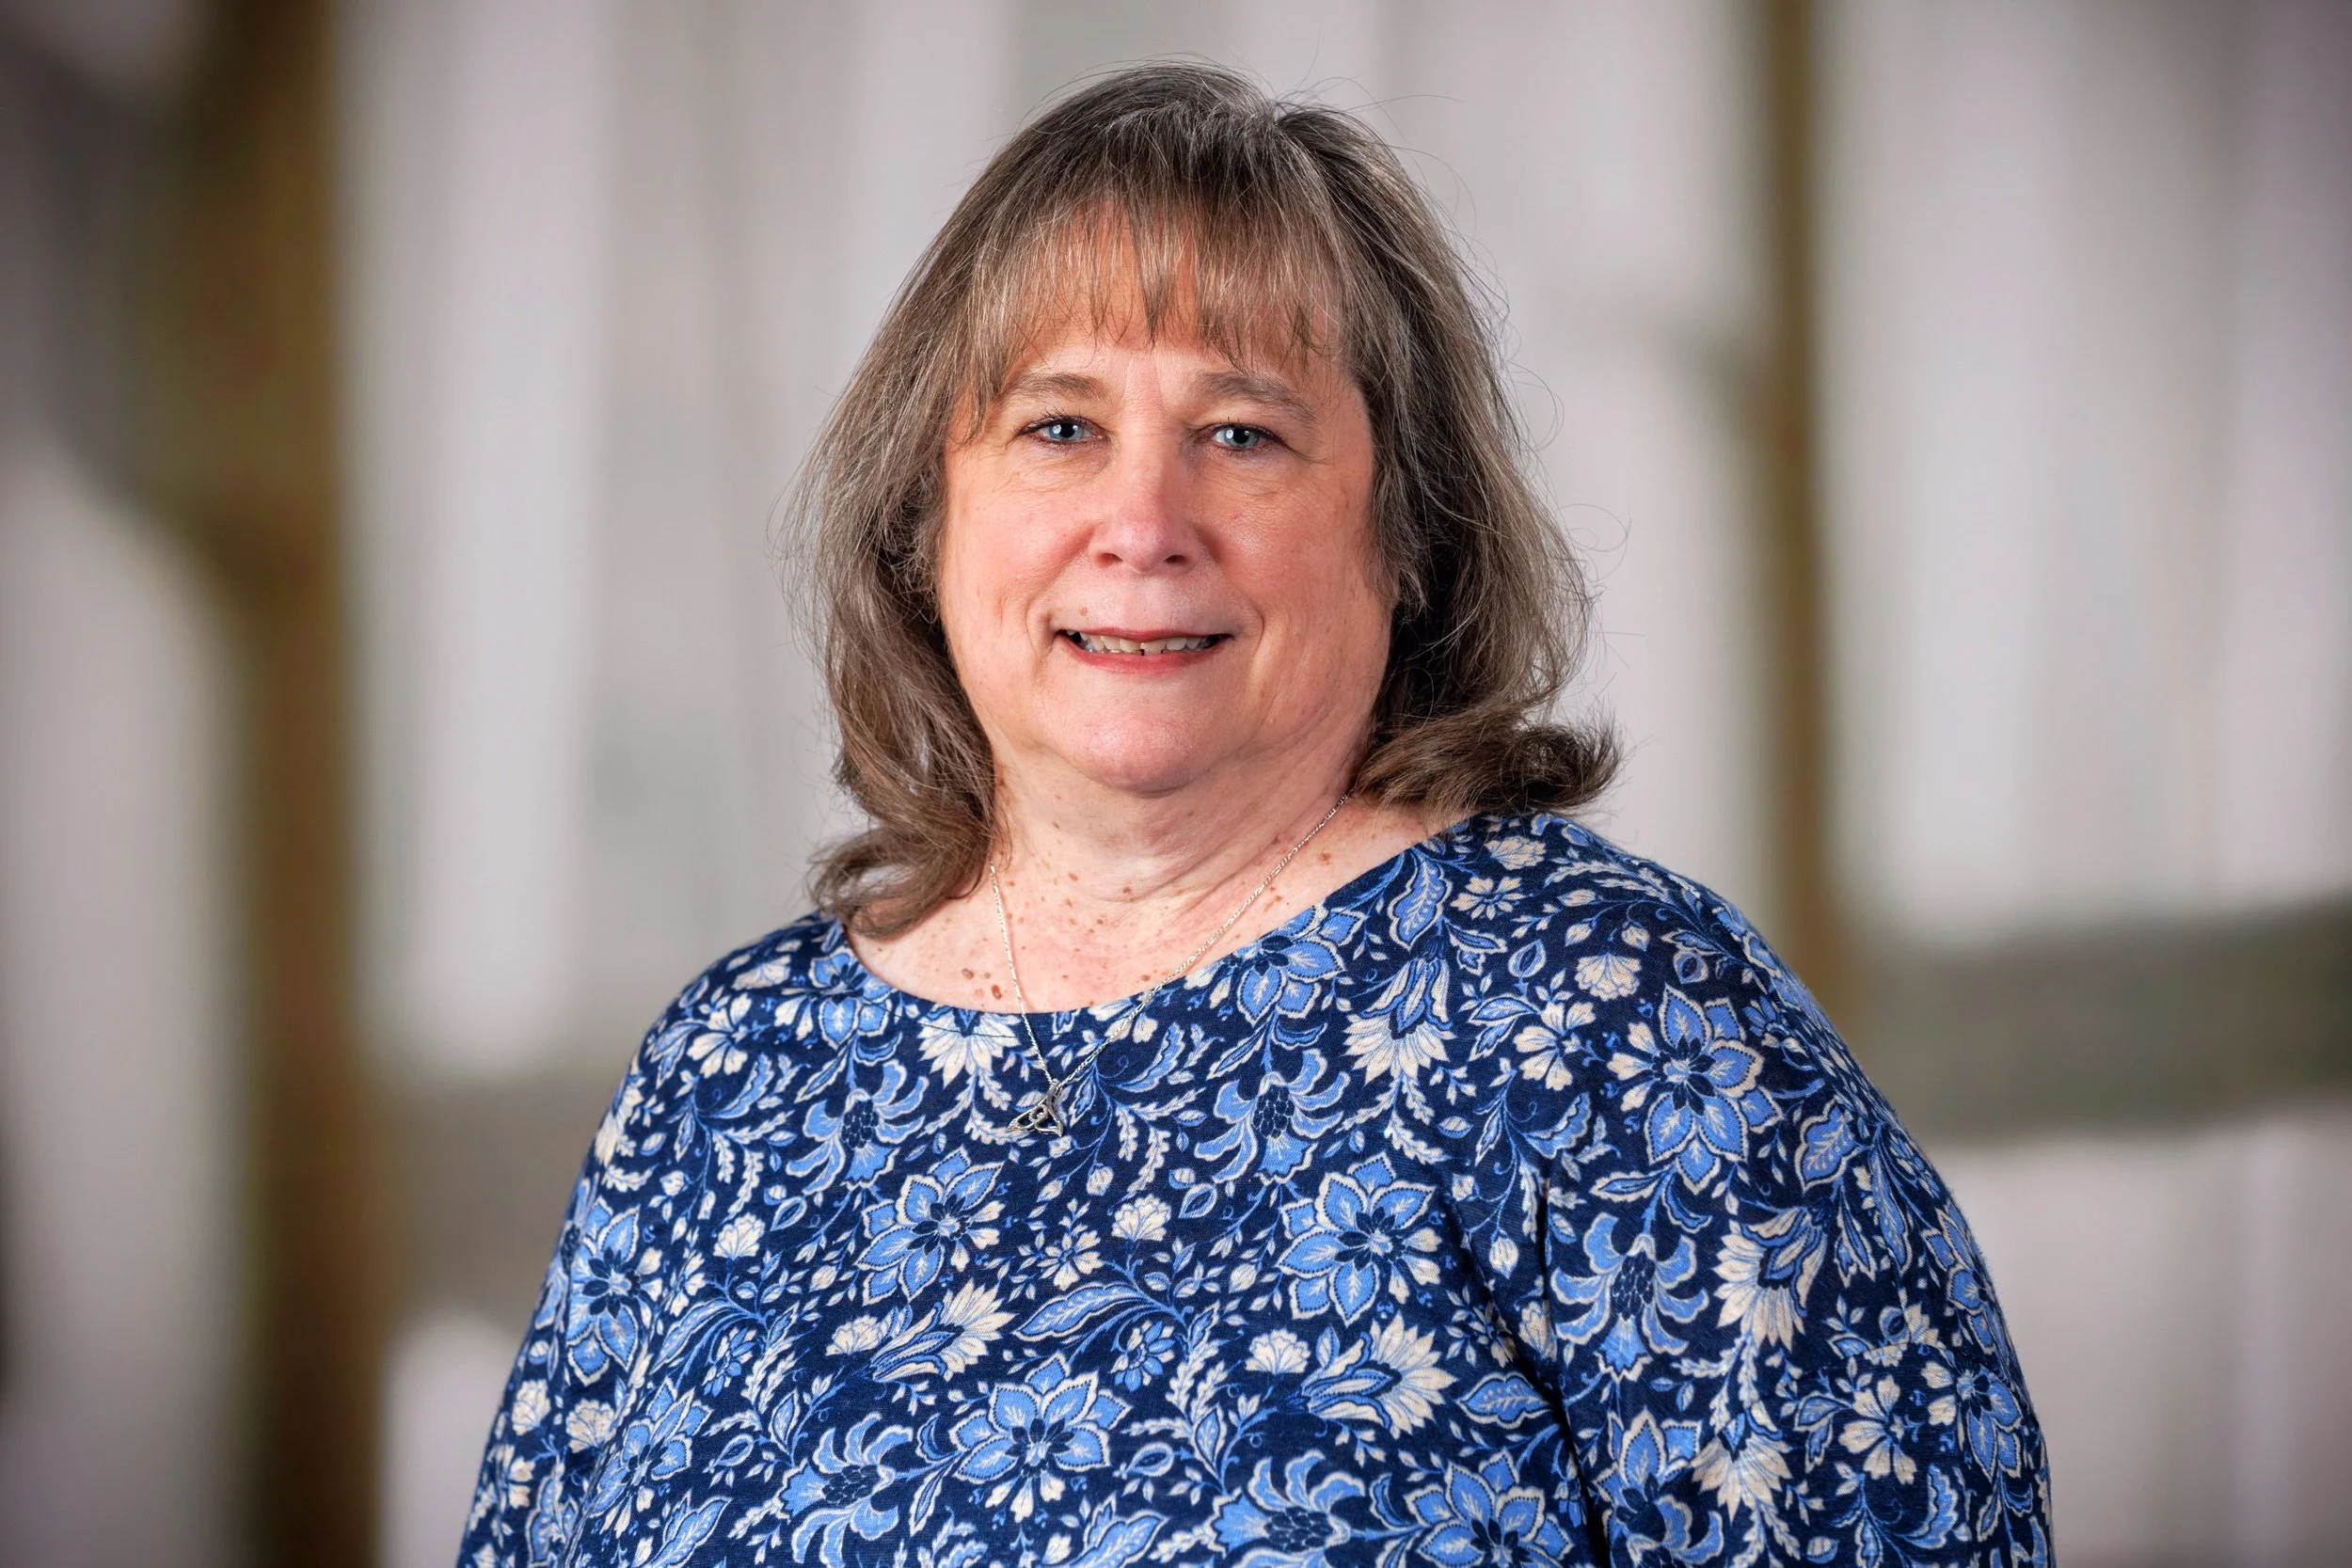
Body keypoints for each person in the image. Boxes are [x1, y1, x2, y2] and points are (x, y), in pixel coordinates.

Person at [458, 62, 2049, 1568]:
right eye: (1060, 426)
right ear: (924, 521)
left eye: (1242, 433)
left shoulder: (1617, 1027)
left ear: (1405, 538)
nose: (1143, 524)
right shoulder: (727, 1074)